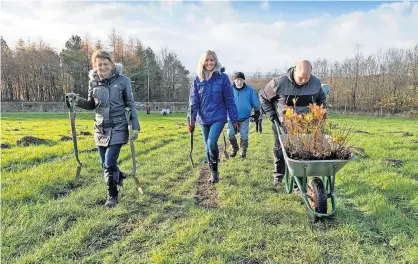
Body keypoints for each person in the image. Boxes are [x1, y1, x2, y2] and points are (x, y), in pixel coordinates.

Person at [66, 50, 140, 207]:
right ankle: (118, 176)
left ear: (112, 64)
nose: (102, 67)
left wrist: (135, 127)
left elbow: (130, 104)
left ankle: (112, 196)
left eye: (106, 64)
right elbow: (92, 104)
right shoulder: (93, 82)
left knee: (109, 161)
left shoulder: (123, 81)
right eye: (99, 64)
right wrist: (77, 101)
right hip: (100, 127)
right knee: (104, 164)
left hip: (119, 126)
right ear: (95, 66)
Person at [259, 60, 327, 186]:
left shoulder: (315, 83)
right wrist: (272, 115)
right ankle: (278, 176)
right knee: (280, 149)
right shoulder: (278, 82)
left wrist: (321, 112)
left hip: (305, 124)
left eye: (307, 78)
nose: (303, 81)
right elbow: (262, 96)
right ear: (295, 71)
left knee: (301, 152)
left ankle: (299, 184)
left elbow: (321, 99)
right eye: (301, 78)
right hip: (282, 124)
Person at [187, 50, 238, 184]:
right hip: (203, 118)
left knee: (211, 142)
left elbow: (229, 99)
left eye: (212, 60)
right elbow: (193, 101)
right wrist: (190, 119)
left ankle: (214, 173)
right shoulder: (197, 79)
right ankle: (213, 172)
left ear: (216, 61)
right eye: (207, 60)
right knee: (206, 146)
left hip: (218, 117)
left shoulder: (223, 78)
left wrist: (234, 119)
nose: (209, 63)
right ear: (203, 62)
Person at [227, 72, 261, 159]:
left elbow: (255, 102)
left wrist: (257, 112)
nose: (239, 82)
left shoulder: (249, 90)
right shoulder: (229, 90)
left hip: (244, 118)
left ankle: (243, 152)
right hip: (231, 118)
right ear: (234, 81)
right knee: (230, 133)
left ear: (244, 80)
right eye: (237, 80)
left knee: (244, 135)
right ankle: (235, 148)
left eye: (241, 80)